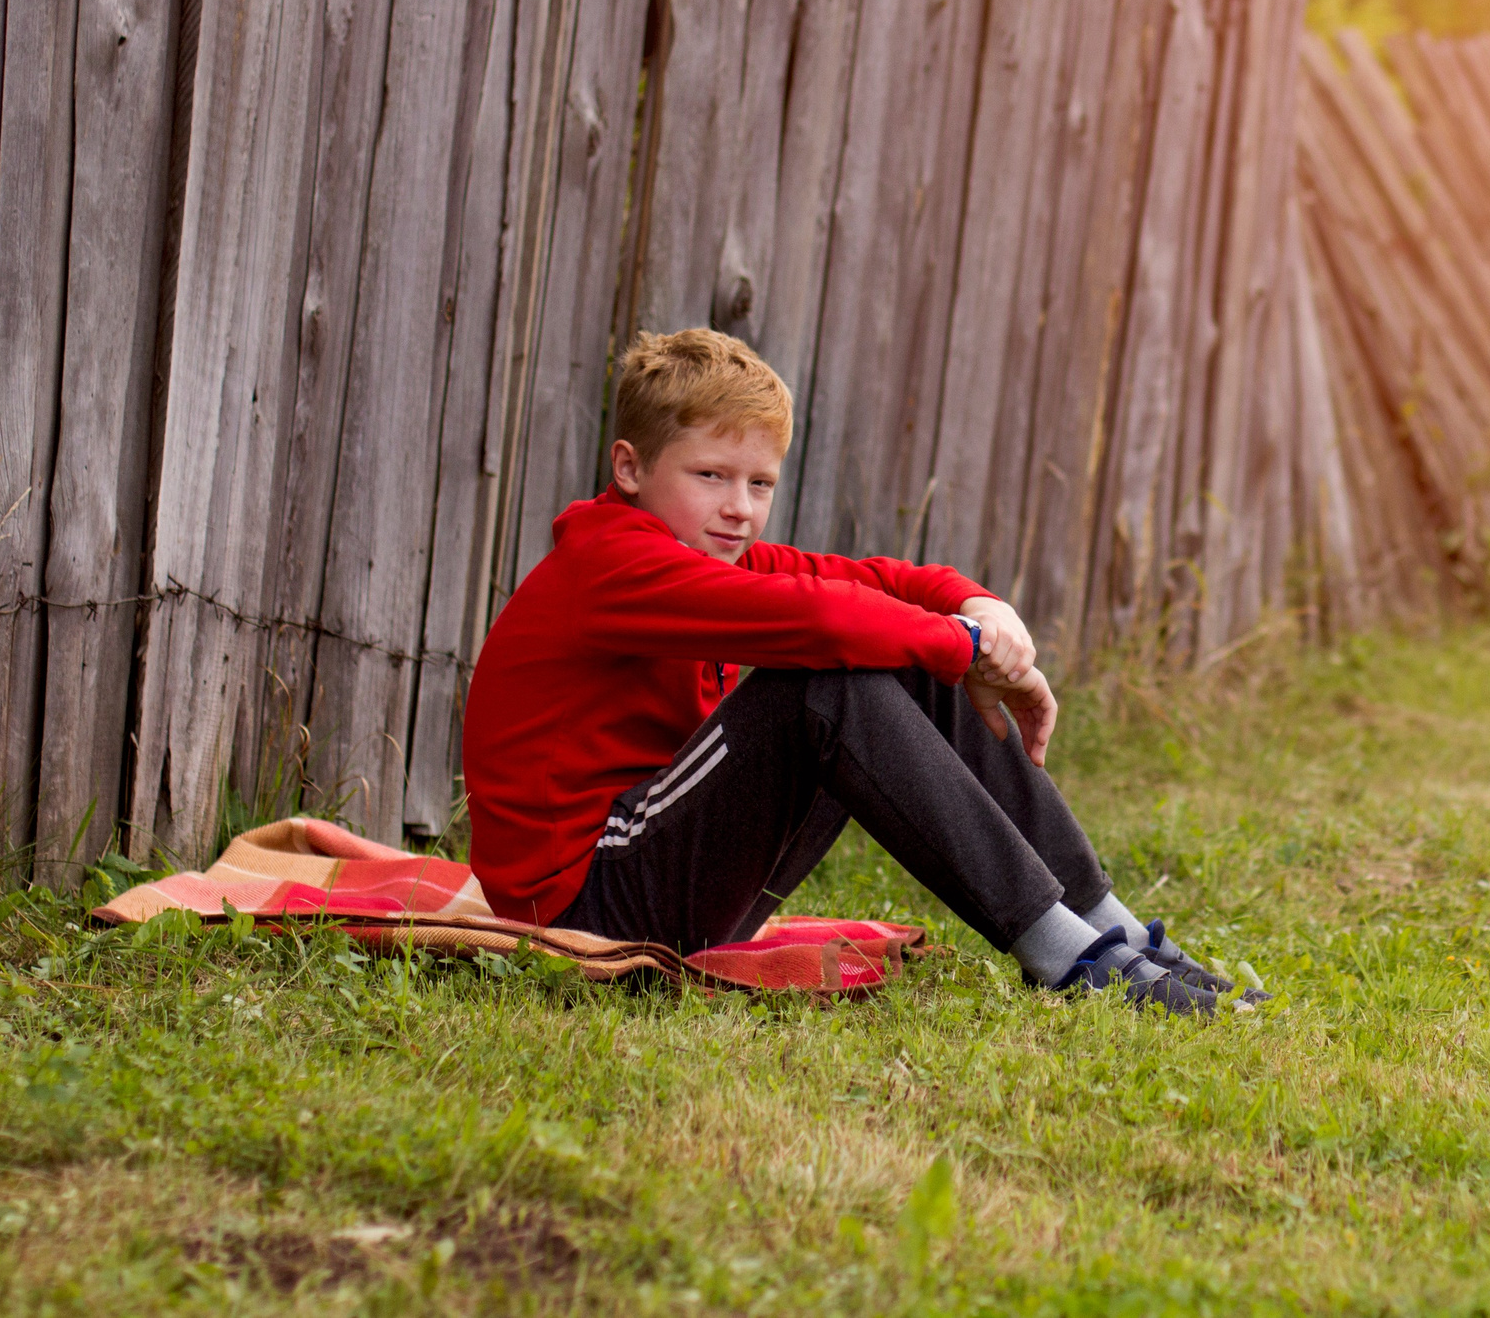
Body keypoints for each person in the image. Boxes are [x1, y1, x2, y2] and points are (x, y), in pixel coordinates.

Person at [463, 327, 1244, 1016]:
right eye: (710, 476)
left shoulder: (708, 554)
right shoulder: (612, 565)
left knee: (899, 645)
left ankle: (1112, 929)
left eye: (759, 483)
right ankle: (1069, 957)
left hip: (660, 880)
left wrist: (981, 608)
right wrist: (965, 648)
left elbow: (869, 583)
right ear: (630, 468)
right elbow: (826, 620)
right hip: (584, 906)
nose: (740, 507)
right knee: (828, 674)